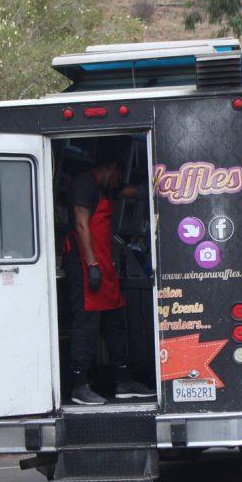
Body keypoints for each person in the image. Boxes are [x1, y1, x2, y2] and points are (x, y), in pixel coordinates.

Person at [63, 145, 155, 405]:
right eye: (118, 175)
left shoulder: (106, 187)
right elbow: (82, 225)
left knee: (115, 323)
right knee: (86, 325)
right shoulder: (84, 184)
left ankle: (124, 380)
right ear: (111, 168)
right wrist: (92, 265)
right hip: (86, 265)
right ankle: (79, 385)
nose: (120, 182)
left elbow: (133, 192)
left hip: (106, 266)